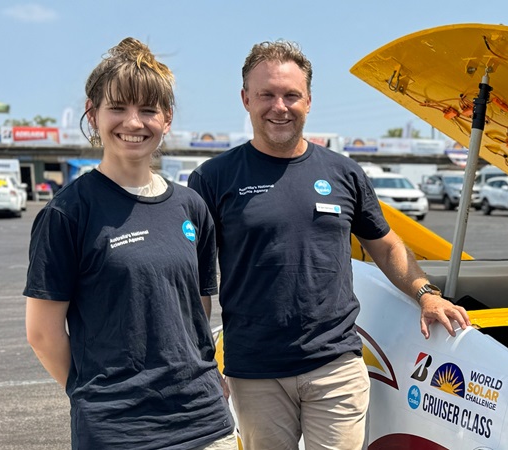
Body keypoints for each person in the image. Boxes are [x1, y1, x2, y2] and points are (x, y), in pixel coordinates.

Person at [188, 40, 471, 450]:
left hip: (335, 365)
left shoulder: (343, 172)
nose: (279, 107)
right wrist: (199, 360)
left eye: (291, 95)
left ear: (308, 101)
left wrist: (426, 294)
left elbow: (386, 244)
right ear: (246, 99)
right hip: (254, 372)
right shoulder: (213, 178)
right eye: (266, 94)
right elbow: (195, 280)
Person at [24, 37, 235, 450]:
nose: (133, 123)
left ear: (167, 118)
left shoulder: (191, 207)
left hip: (204, 421)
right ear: (93, 113)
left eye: (148, 110)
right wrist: (94, 396)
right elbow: (42, 333)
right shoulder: (69, 212)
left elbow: (197, 309)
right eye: (118, 107)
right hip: (118, 430)